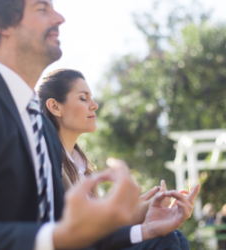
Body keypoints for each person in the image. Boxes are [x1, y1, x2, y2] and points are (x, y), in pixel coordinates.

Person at [0, 0, 200, 249]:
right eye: (42, 8)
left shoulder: (40, 128)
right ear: (0, 24)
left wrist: (145, 229)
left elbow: (62, 230)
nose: (60, 17)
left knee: (168, 241)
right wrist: (62, 236)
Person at [38, 69, 194, 250]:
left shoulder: (81, 167)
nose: (94, 105)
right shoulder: (49, 162)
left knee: (176, 236)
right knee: (166, 240)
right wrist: (129, 217)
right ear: (55, 107)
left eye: (91, 97)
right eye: (83, 98)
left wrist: (138, 213)